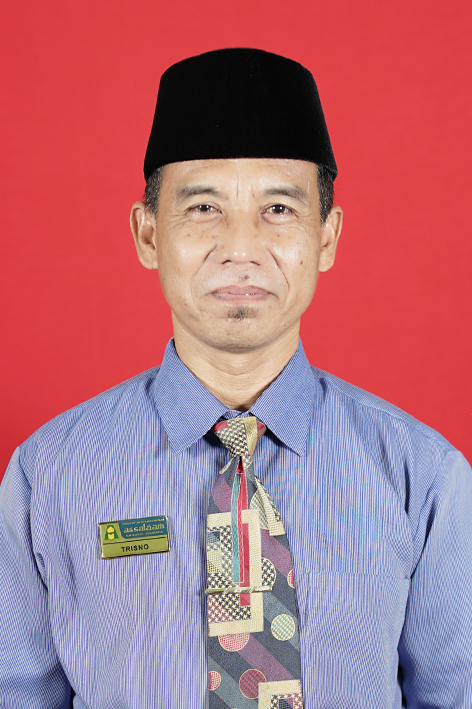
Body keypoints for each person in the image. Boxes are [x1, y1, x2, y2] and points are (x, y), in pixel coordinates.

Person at [0, 47, 471, 709]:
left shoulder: (423, 476)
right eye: (202, 208)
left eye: (278, 208)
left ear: (327, 237)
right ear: (147, 235)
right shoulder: (47, 474)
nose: (241, 247)